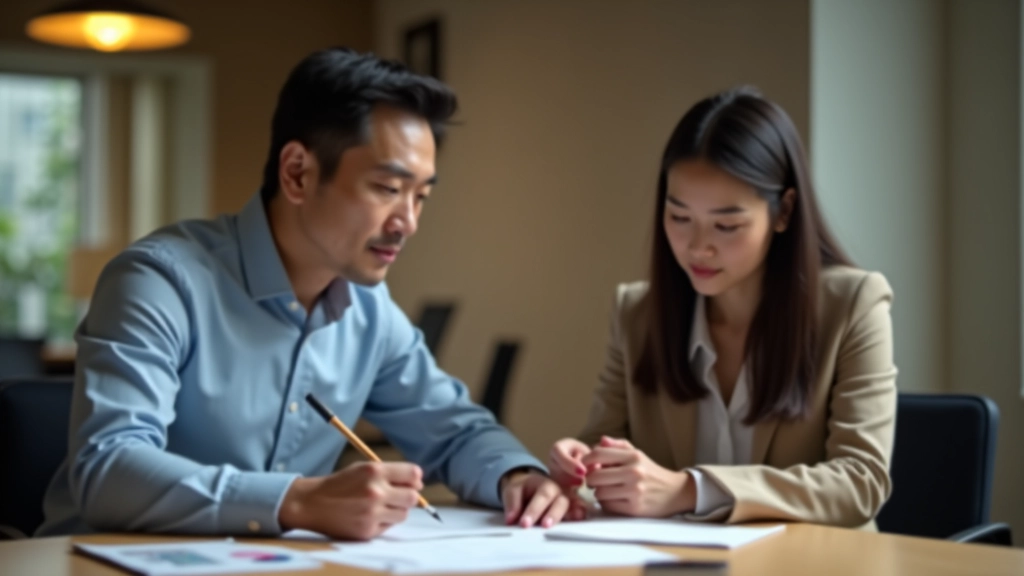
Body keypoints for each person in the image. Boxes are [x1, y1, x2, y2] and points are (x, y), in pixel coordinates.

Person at [39, 47, 570, 541]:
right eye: (388, 189)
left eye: (421, 196)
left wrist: (516, 475)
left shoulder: (369, 314)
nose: (407, 222)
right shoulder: (159, 283)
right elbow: (107, 467)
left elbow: (454, 432)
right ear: (297, 173)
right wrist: (296, 500)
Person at [549, 87, 897, 528]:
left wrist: (689, 490)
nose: (698, 247)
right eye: (679, 217)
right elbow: (604, 449)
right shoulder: (636, 313)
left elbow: (860, 481)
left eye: (726, 225)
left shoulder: (853, 305)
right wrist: (577, 470)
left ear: (784, 211)